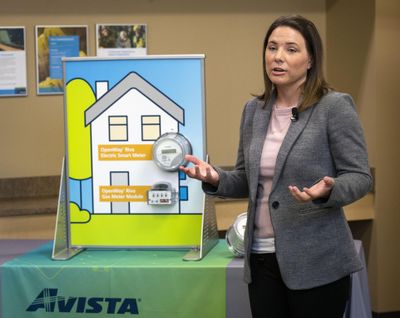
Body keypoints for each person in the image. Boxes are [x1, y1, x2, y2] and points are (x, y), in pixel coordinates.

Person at [179, 15, 372, 318]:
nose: (278, 57)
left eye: (291, 49)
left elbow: (360, 177)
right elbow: (246, 178)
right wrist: (216, 178)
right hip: (261, 260)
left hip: (317, 261)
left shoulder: (333, 107)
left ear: (311, 60)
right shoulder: (254, 111)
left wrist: (328, 190)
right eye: (272, 48)